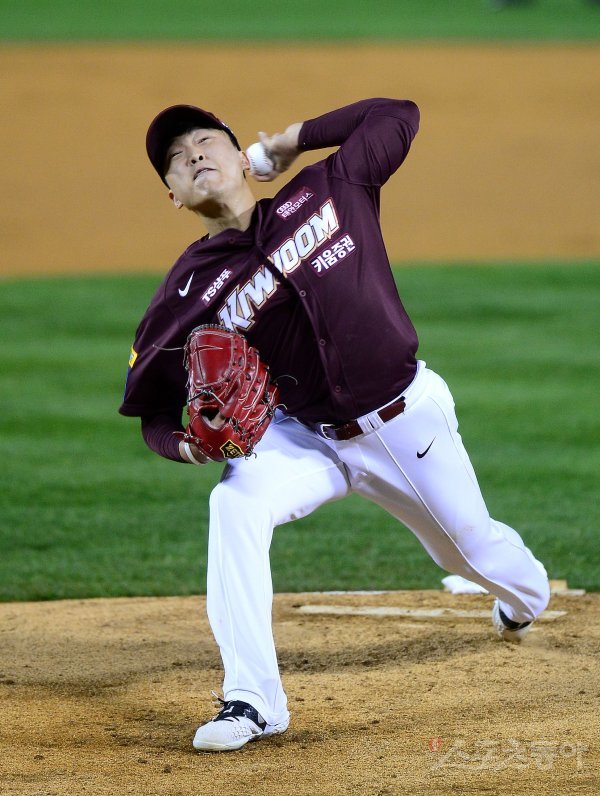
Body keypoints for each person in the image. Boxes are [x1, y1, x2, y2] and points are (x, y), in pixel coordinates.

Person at [119, 98, 550, 752]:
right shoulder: (185, 294)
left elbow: (397, 115)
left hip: (404, 421)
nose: (194, 155)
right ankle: (253, 701)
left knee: (471, 552)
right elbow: (150, 411)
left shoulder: (329, 189)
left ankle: (522, 602)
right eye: (177, 159)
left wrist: (290, 142)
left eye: (206, 141)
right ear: (174, 195)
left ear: (241, 158)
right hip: (304, 440)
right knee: (234, 504)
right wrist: (185, 446)